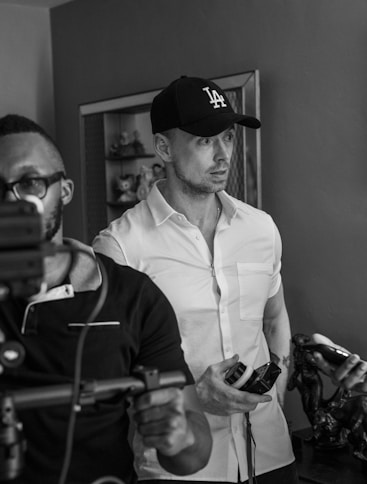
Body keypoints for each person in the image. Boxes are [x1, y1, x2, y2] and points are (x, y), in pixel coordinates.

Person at [93, 76, 298, 484]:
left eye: (227, 137)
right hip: (182, 467)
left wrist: (277, 380)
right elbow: (107, 379)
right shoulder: (120, 248)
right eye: (205, 141)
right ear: (164, 148)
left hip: (272, 455)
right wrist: (194, 398)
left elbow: (274, 318)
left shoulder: (261, 229)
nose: (223, 155)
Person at [0, 114, 212, 484]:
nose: (9, 201)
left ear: (64, 190)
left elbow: (192, 456)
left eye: (30, 182)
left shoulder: (133, 298)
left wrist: (179, 436)